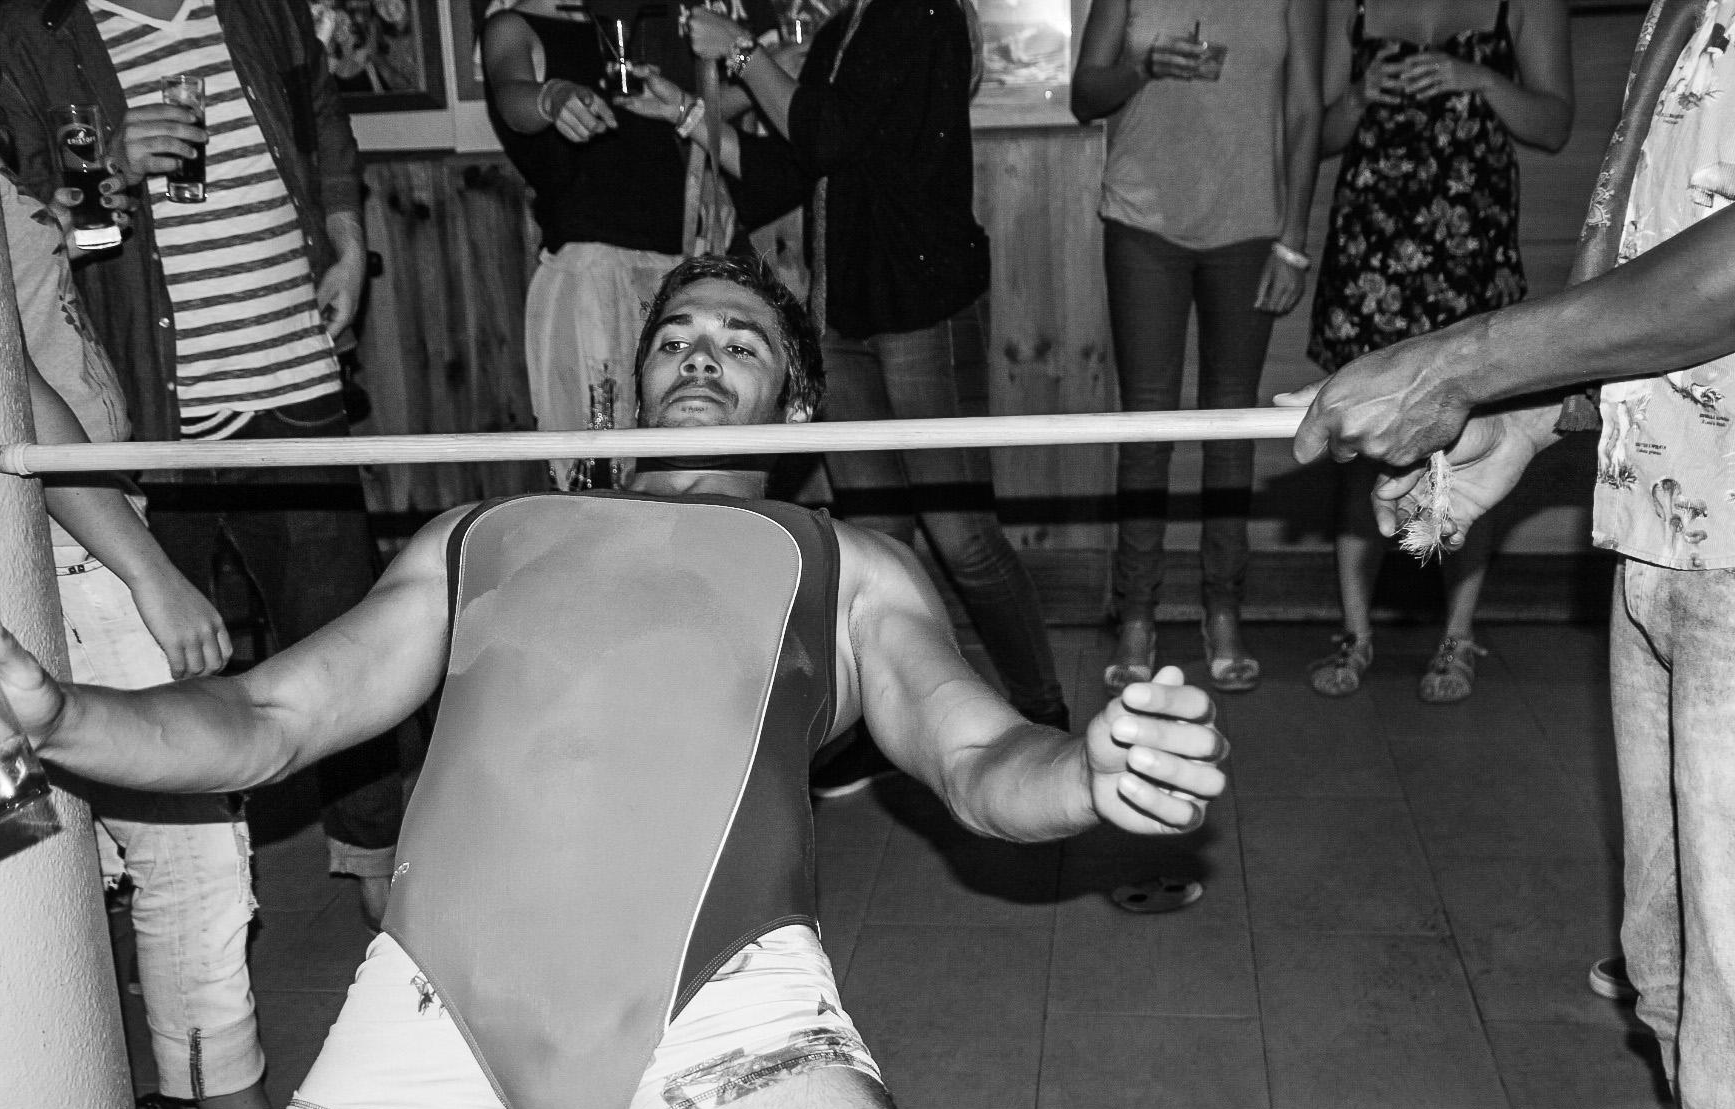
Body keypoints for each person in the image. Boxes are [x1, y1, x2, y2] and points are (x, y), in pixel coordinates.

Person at [0, 256, 1229, 1109]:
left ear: (796, 403)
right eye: (675, 339)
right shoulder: (482, 530)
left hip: (728, 1011)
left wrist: (1085, 776)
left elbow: (977, 752)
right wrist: (57, 713)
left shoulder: (845, 563)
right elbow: (265, 717)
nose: (699, 357)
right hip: (433, 1014)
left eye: (739, 343)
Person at [1281, 3, 1735, 1109]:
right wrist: (1539, 421)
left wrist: (1466, 363)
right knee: (1671, 983)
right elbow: (1659, 218)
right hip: (1669, 526)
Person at [0, 0, 406, 925]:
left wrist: (348, 243)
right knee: (156, 677)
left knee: (351, 646)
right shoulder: (34, 29)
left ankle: (388, 890)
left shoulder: (262, 5)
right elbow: (18, 226)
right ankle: (174, 908)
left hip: (294, 382)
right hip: (149, 414)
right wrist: (108, 168)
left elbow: (323, 119)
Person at [667, 0, 1070, 800]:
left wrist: (741, 52)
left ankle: (1046, 718)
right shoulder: (841, 26)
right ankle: (889, 728)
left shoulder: (919, 12)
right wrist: (685, 111)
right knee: (878, 538)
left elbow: (827, 134)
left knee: (962, 536)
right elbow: (792, 167)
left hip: (921, 306)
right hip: (844, 313)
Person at [1305, 0, 1571, 703]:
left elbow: (1553, 124)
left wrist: (1477, 78)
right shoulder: (1351, 3)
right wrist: (1358, 96)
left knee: (1473, 440)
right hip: (1371, 250)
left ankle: (1457, 637)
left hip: (1469, 248)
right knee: (1359, 438)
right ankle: (1354, 634)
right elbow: (1317, 132)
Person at [1071, 0, 1324, 696]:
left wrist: (1295, 241)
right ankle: (1136, 616)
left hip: (1250, 224)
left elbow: (1306, 108)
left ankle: (1224, 610)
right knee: (1145, 428)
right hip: (1142, 221)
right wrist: (1143, 65)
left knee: (1231, 425)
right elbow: (1084, 94)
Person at [479, 0, 774, 490]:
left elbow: (665, 119)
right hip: (595, 277)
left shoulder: (624, 23)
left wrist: (765, 77)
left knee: (674, 463)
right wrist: (552, 97)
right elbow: (514, 98)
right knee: (599, 469)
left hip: (671, 270)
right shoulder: (514, 24)